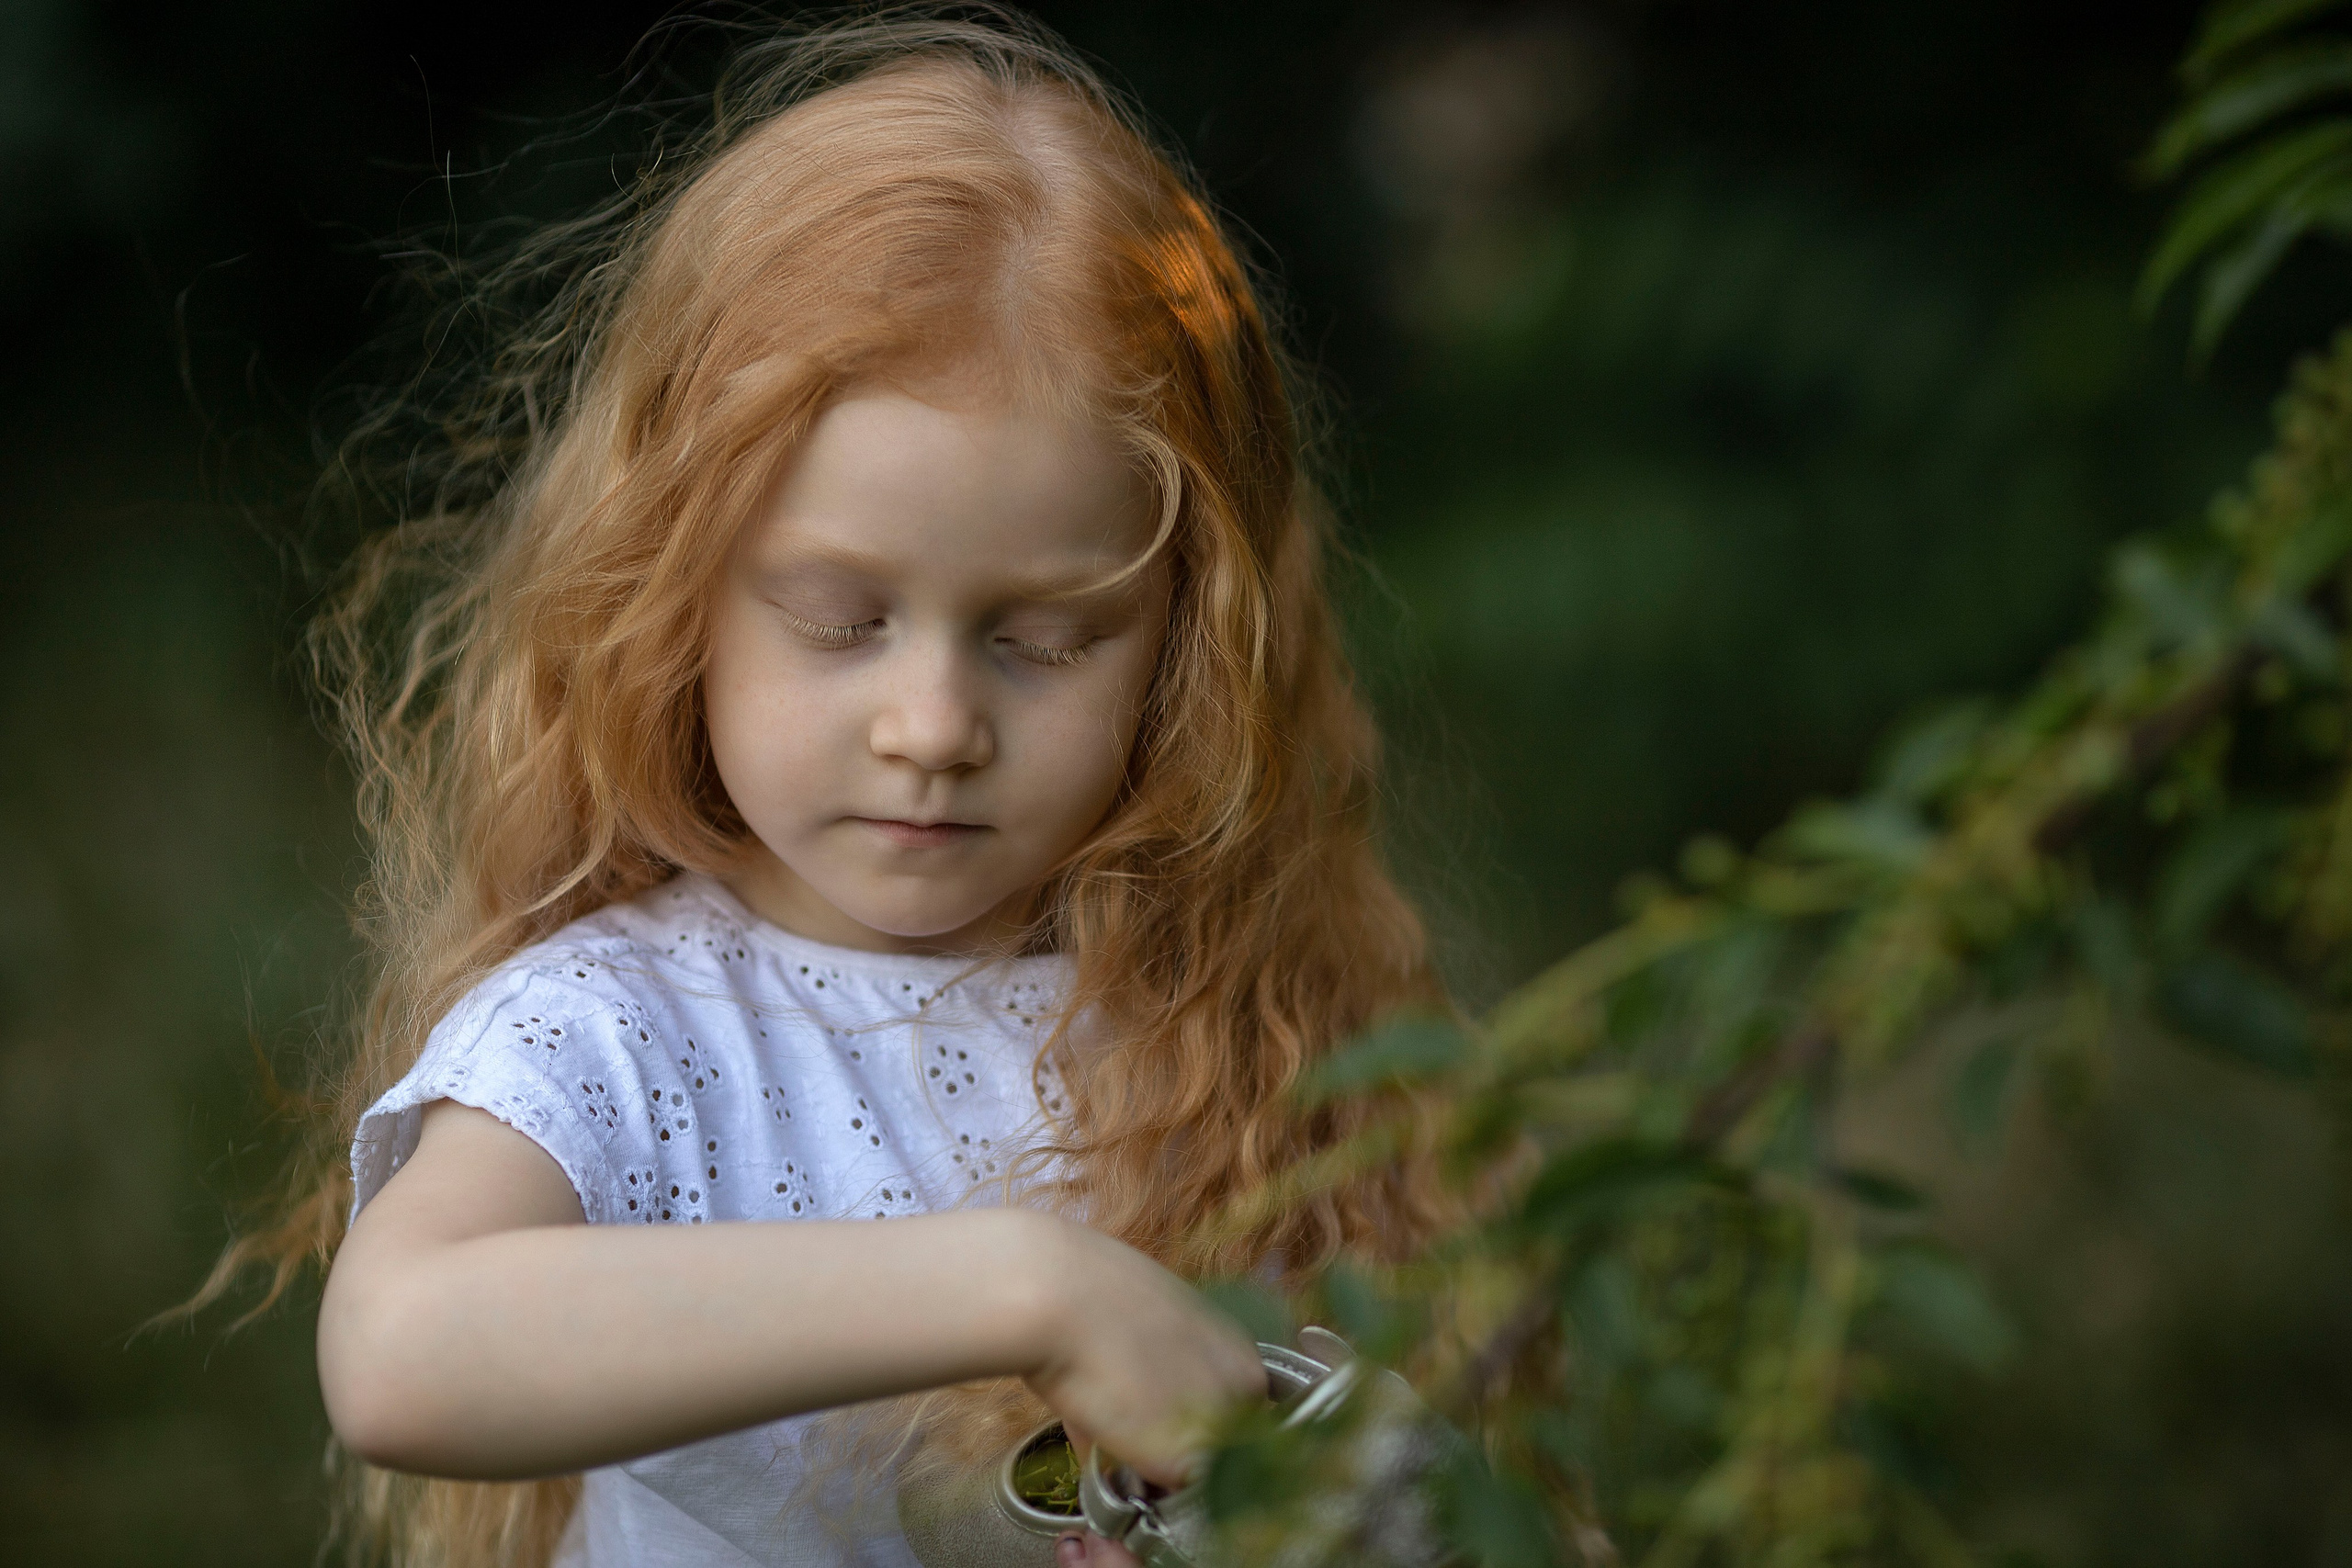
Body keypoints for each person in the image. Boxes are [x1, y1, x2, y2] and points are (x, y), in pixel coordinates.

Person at [209, 10, 1448, 1566]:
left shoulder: (1231, 1025)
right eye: (841, 622)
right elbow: (404, 1353)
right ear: (672, 594)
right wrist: (1028, 1289)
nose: (933, 723)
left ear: (1186, 647)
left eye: (1044, 640)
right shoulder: (618, 1032)